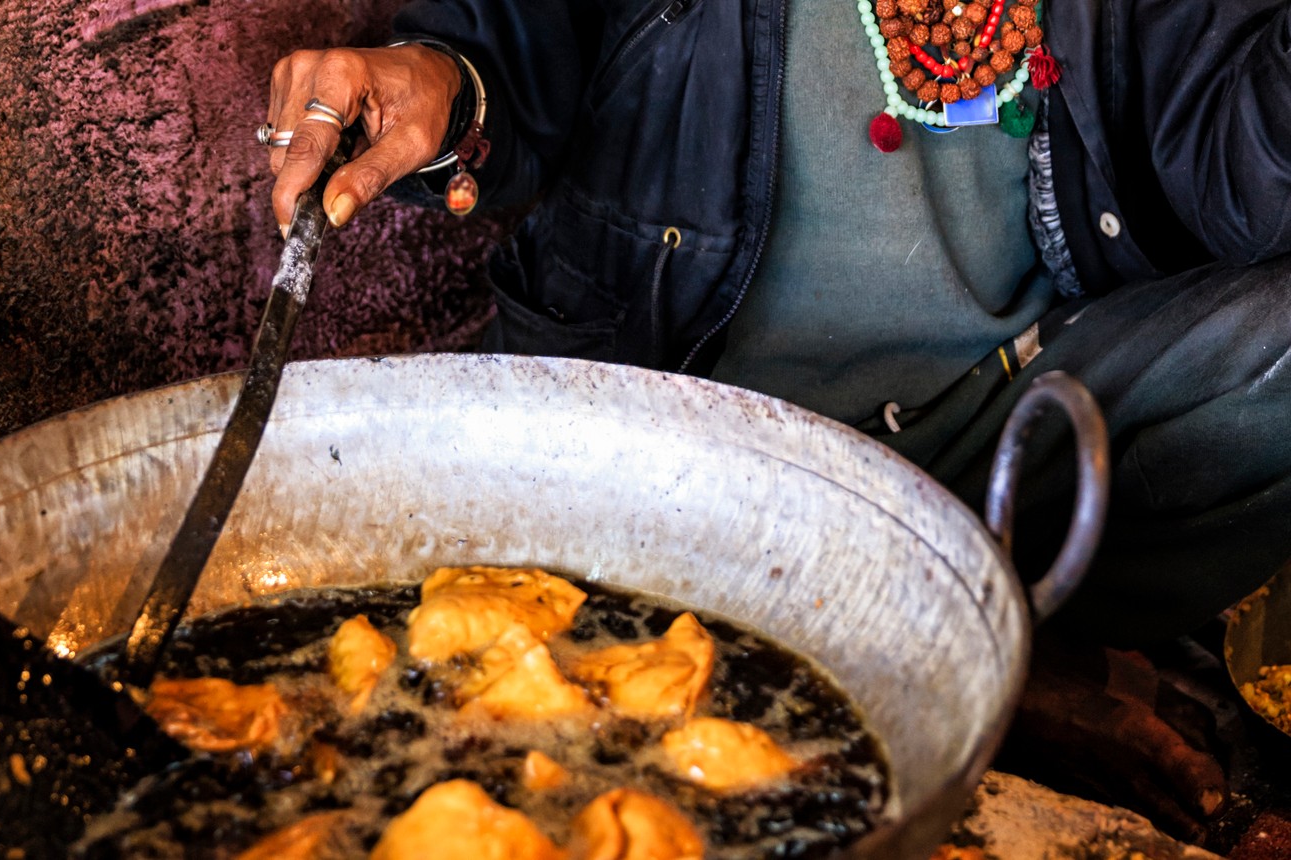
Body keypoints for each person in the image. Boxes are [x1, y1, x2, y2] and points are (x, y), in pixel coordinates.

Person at [260, 2, 1289, 815]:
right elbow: (501, 50)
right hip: (693, 455)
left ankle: (980, 636)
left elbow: (1227, 174)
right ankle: (991, 655)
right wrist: (432, 80)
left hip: (996, 428)